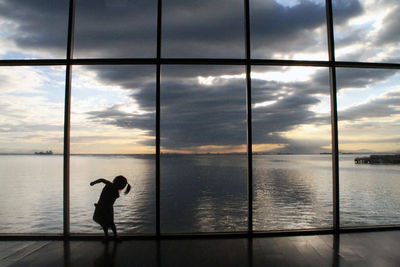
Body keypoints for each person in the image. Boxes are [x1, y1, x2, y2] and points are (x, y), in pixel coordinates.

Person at [90, 175, 131, 242]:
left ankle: (108, 237)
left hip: (103, 208)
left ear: (115, 181)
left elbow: (101, 179)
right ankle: (114, 236)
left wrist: (93, 183)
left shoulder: (110, 185)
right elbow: (109, 202)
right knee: (110, 223)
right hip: (107, 208)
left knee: (105, 223)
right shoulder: (116, 192)